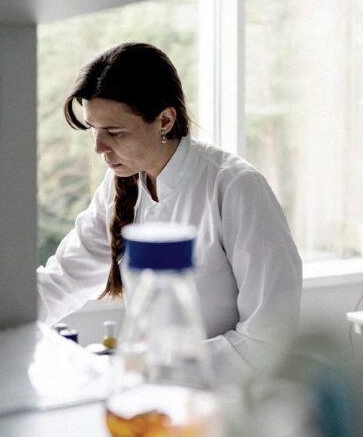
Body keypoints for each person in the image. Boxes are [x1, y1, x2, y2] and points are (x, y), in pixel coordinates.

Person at [37, 41, 302, 381]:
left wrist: (156, 368)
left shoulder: (235, 187)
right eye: (94, 130)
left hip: (228, 405)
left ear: (164, 120)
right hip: (158, 396)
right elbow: (63, 279)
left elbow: (268, 340)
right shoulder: (119, 185)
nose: (98, 147)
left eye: (114, 132)